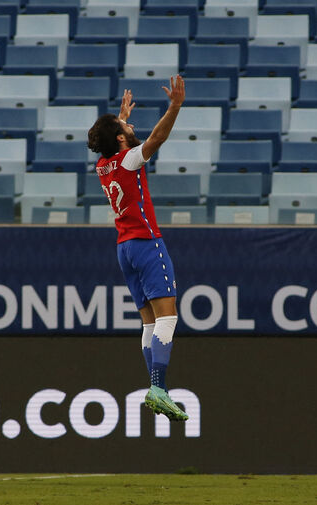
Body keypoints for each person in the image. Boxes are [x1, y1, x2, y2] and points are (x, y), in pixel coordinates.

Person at [87, 75, 189, 422]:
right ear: (119, 138)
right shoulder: (130, 159)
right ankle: (159, 388)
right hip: (146, 243)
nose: (131, 126)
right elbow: (157, 138)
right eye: (125, 126)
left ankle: (156, 386)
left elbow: (116, 144)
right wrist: (174, 106)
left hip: (123, 248)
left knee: (148, 323)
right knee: (168, 317)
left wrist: (118, 119)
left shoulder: (103, 166)